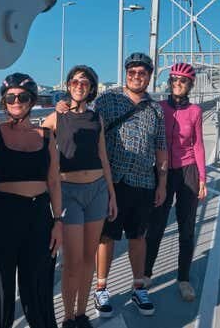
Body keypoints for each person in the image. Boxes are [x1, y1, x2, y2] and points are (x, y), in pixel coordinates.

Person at [0, 73, 62, 328]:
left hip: (38, 215)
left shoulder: (46, 136)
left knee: (38, 286)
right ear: (4, 102)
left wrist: (58, 221)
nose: (16, 102)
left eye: (22, 97)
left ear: (31, 101)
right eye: (10, 98)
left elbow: (54, 181)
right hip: (1, 214)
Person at [92, 53, 167, 317]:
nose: (136, 76)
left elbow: (161, 147)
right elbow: (85, 121)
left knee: (138, 237)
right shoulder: (107, 99)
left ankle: (138, 288)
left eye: (142, 73)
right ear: (126, 74)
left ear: (150, 76)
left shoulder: (155, 109)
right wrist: (64, 107)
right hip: (112, 182)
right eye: (132, 72)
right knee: (106, 237)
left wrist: (162, 184)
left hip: (144, 181)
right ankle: (101, 289)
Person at [42, 65, 118, 328]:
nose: (79, 86)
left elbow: (103, 158)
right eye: (74, 82)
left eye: (84, 82)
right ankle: (67, 317)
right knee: (72, 261)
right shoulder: (57, 117)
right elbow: (33, 136)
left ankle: (82, 313)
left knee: (88, 258)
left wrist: (112, 195)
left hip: (97, 190)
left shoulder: (97, 119)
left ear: (91, 88)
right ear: (68, 86)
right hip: (68, 192)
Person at [144, 62, 208, 302]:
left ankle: (183, 279)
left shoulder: (195, 111)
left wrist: (202, 178)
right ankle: (146, 274)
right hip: (162, 170)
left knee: (187, 226)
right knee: (156, 224)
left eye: (182, 81)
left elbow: (198, 145)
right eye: (173, 80)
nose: (177, 84)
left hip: (188, 170)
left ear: (190, 84)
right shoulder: (159, 108)